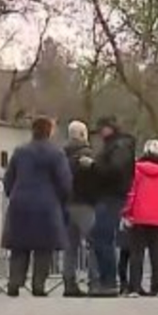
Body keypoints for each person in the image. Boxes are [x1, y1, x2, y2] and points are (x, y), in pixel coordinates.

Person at [2, 116, 72, 297]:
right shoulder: (56, 154)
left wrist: (13, 193)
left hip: (21, 203)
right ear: (49, 131)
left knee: (19, 247)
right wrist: (62, 200)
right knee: (44, 248)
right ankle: (38, 285)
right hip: (46, 206)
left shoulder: (20, 151)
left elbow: (9, 178)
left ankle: (14, 282)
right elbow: (64, 182)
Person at [120, 139, 158, 297]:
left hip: (138, 217)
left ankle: (134, 288)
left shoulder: (136, 170)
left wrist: (127, 213)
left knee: (136, 254)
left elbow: (131, 193)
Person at [91, 116, 136, 297]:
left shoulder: (118, 146)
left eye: (101, 129)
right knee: (102, 238)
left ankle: (109, 281)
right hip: (111, 196)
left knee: (103, 237)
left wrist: (95, 166)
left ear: (109, 128)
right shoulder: (117, 145)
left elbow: (116, 169)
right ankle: (108, 280)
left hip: (112, 196)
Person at [63, 120, 98, 297]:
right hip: (85, 204)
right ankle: (94, 281)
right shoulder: (88, 155)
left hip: (67, 204)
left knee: (70, 246)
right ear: (84, 135)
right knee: (94, 243)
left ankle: (69, 282)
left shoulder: (62, 155)